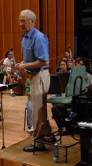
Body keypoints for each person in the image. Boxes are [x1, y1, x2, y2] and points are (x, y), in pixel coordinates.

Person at [15, 9, 55, 152]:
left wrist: (24, 65)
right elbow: (29, 59)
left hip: (41, 76)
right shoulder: (25, 37)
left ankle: (38, 144)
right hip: (33, 77)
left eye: (23, 21)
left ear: (32, 21)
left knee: (37, 112)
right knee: (40, 111)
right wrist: (21, 64)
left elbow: (43, 61)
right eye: (19, 20)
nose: (20, 24)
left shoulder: (38, 37)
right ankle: (48, 136)